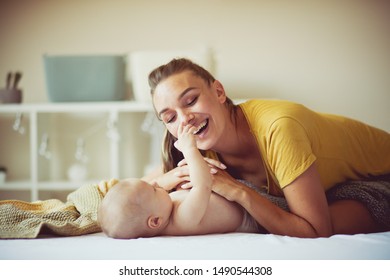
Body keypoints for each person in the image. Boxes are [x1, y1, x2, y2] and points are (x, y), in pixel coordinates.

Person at [146, 57, 390, 238]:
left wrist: (237, 191)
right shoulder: (194, 146)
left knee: (294, 220)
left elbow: (316, 230)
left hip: (381, 177)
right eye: (169, 118)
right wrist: (163, 182)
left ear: (219, 92)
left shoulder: (279, 127)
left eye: (191, 101)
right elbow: (134, 191)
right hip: (333, 186)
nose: (184, 119)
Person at [98, 121, 262, 239]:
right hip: (252, 216)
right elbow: (203, 185)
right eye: (153, 190)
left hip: (240, 191)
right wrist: (189, 149)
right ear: (155, 221)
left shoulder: (163, 209)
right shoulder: (182, 220)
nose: (155, 183)